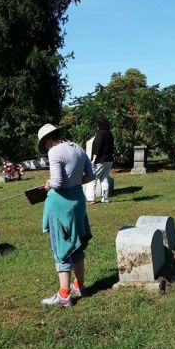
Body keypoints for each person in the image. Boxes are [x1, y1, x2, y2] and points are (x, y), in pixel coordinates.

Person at [37, 123, 95, 308]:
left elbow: (58, 182)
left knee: (61, 249)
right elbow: (90, 175)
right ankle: (79, 286)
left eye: (44, 146)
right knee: (76, 247)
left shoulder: (54, 152)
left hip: (61, 206)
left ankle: (64, 296)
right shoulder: (77, 148)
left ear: (47, 141)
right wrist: (75, 181)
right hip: (78, 202)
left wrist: (48, 184)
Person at [86, 117, 114, 204]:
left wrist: (94, 158)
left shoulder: (100, 133)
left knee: (92, 179)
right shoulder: (109, 133)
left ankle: (90, 199)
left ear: (98, 125)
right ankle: (105, 198)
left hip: (100, 159)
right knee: (104, 178)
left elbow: (98, 145)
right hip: (109, 160)